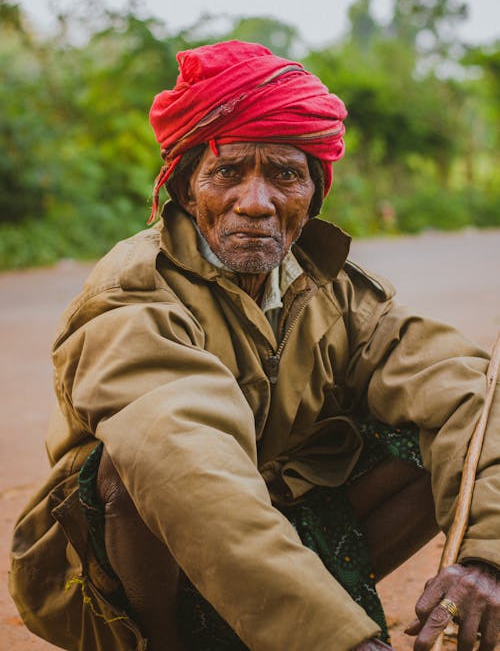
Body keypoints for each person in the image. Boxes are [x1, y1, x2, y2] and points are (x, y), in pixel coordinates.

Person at [9, 40, 500, 651]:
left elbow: (467, 392)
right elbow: (188, 469)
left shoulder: (337, 292)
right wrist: (339, 642)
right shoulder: (133, 297)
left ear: (313, 195)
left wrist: (486, 560)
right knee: (130, 470)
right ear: (188, 191)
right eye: (228, 172)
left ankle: (292, 611)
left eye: (285, 175)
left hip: (278, 528)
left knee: (433, 427)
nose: (256, 202)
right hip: (131, 569)